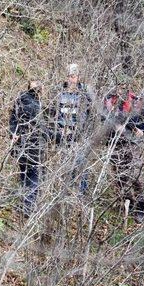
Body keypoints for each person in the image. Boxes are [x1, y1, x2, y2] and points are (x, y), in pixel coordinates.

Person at [102, 77, 144, 223]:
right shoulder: (108, 99)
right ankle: (127, 203)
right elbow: (105, 117)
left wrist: (143, 129)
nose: (120, 89)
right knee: (120, 176)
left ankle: (140, 207)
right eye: (118, 86)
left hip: (131, 142)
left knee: (136, 174)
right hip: (114, 141)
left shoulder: (136, 100)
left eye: (123, 86)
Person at [10, 81, 51, 216]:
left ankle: (24, 203)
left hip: (20, 146)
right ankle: (28, 207)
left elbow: (13, 121)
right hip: (34, 147)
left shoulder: (20, 100)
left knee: (24, 174)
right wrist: (59, 136)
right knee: (34, 177)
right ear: (40, 90)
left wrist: (13, 133)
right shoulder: (36, 106)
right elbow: (42, 129)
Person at [52, 63, 93, 194]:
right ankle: (66, 193)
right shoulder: (59, 91)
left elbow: (92, 114)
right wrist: (58, 128)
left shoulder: (85, 91)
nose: (71, 79)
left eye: (74, 76)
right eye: (69, 76)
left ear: (78, 77)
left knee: (81, 163)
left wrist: (81, 131)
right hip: (62, 134)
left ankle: (81, 193)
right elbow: (53, 112)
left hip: (79, 134)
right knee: (65, 164)